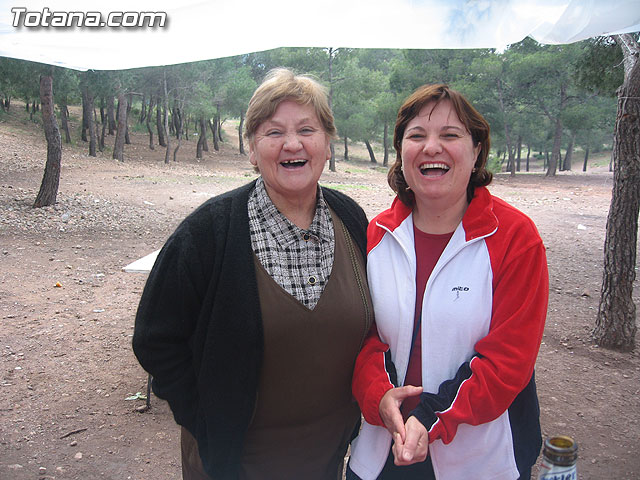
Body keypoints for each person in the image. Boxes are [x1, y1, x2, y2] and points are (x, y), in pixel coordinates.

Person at [133, 68, 373, 480]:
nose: (292, 144)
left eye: (307, 129)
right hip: (233, 465)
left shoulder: (350, 218)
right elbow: (155, 338)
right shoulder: (208, 231)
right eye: (273, 131)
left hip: (327, 460)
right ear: (251, 149)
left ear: (328, 144)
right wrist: (204, 418)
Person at [347, 84, 548, 480]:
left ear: (476, 152)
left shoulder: (515, 239)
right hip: (381, 446)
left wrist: (430, 417)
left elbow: (508, 361)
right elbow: (361, 336)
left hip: (479, 457)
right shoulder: (376, 236)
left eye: (450, 135)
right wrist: (379, 396)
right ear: (401, 153)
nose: (431, 147)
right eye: (417, 136)